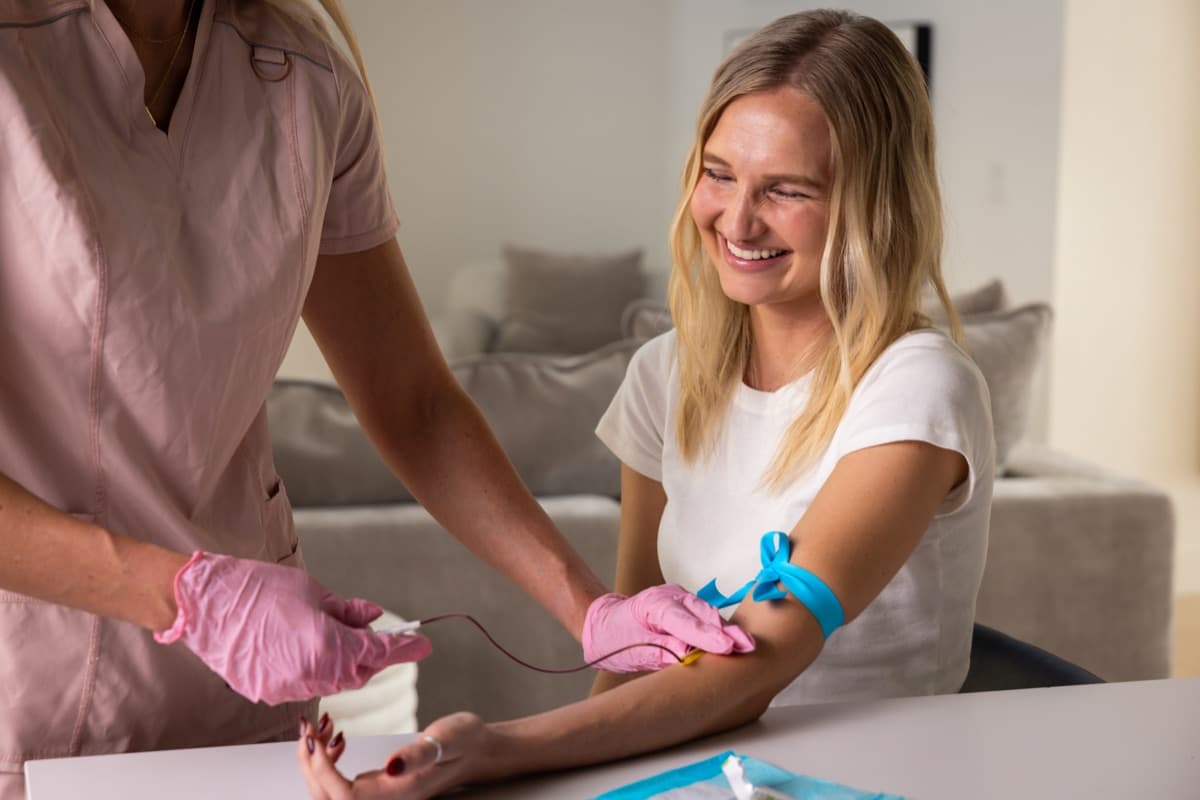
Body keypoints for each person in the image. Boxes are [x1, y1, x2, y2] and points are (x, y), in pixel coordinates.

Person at [0, 2, 752, 798]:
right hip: (26, 698)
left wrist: (592, 611)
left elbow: (414, 403)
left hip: (244, 705)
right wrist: (187, 594)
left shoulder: (301, 78)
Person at [297, 8, 996, 799]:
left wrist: (492, 749)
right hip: (706, 776)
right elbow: (631, 662)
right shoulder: (667, 377)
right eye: (720, 173)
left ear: (876, 204)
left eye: (787, 190)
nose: (737, 219)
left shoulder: (917, 389)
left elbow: (760, 661)